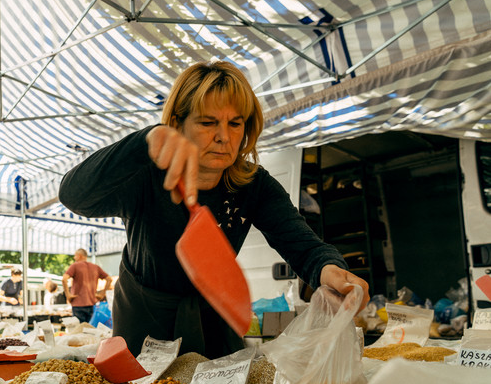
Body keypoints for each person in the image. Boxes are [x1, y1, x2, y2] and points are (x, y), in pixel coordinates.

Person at [59, 60, 370, 358]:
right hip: (145, 323)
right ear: (178, 123)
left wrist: (330, 270)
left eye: (235, 123)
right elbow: (74, 195)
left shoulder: (253, 184)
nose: (224, 137)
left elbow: (302, 245)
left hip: (214, 320)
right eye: (208, 122)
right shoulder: (145, 173)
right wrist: (143, 142)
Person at [62, 248, 111, 323]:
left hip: (78, 304)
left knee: (79, 332)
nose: (74, 258)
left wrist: (68, 295)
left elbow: (64, 279)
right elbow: (109, 279)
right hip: (92, 304)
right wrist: (103, 293)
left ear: (80, 256)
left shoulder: (75, 266)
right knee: (91, 330)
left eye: (75, 256)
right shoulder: (95, 267)